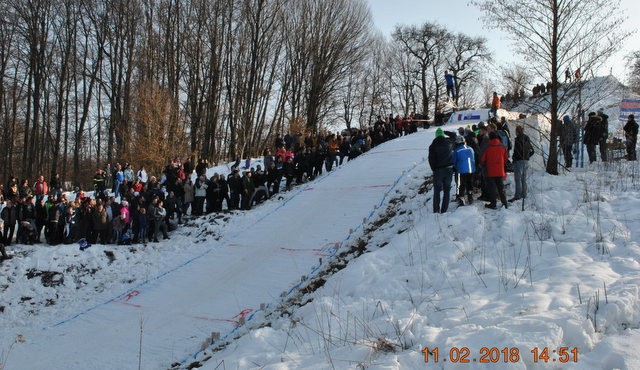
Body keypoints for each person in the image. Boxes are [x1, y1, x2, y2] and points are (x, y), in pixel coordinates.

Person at [481, 131, 509, 209]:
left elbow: (482, 159)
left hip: (490, 171)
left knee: (492, 189)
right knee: (501, 188)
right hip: (500, 170)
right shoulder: (502, 146)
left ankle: (493, 204)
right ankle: (505, 203)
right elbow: (506, 159)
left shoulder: (487, 147)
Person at [428, 128, 453, 213]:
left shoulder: (433, 145)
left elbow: (431, 159)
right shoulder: (449, 142)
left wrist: (434, 169)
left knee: (437, 191)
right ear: (442, 134)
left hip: (438, 171)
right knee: (447, 191)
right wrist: (445, 132)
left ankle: (436, 210)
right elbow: (454, 136)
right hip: (449, 169)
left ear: (436, 135)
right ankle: (444, 210)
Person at [510, 126, 534, 202]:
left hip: (518, 161)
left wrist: (514, 159)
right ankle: (524, 194)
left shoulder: (518, 139)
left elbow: (516, 151)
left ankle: (517, 196)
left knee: (517, 179)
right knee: (523, 179)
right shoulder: (527, 138)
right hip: (526, 161)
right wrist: (527, 156)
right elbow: (532, 150)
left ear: (517, 131)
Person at [452, 135, 475, 206]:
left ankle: (461, 200)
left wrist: (456, 168)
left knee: (461, 185)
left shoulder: (456, 151)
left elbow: (454, 162)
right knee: (469, 183)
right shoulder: (470, 148)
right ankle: (470, 197)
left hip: (461, 170)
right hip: (471, 169)